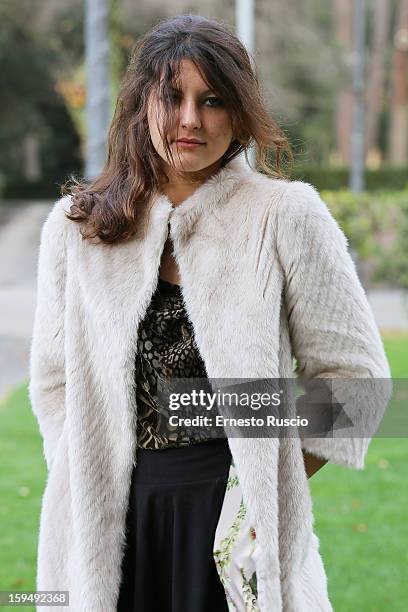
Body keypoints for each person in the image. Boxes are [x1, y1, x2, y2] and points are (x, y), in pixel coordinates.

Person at [28, 13, 392, 612]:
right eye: (172, 96)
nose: (190, 119)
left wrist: (257, 489)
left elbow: (360, 385)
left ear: (240, 114)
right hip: (104, 527)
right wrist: (85, 476)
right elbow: (53, 381)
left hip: (233, 523)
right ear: (141, 105)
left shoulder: (286, 216)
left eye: (213, 100)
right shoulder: (76, 228)